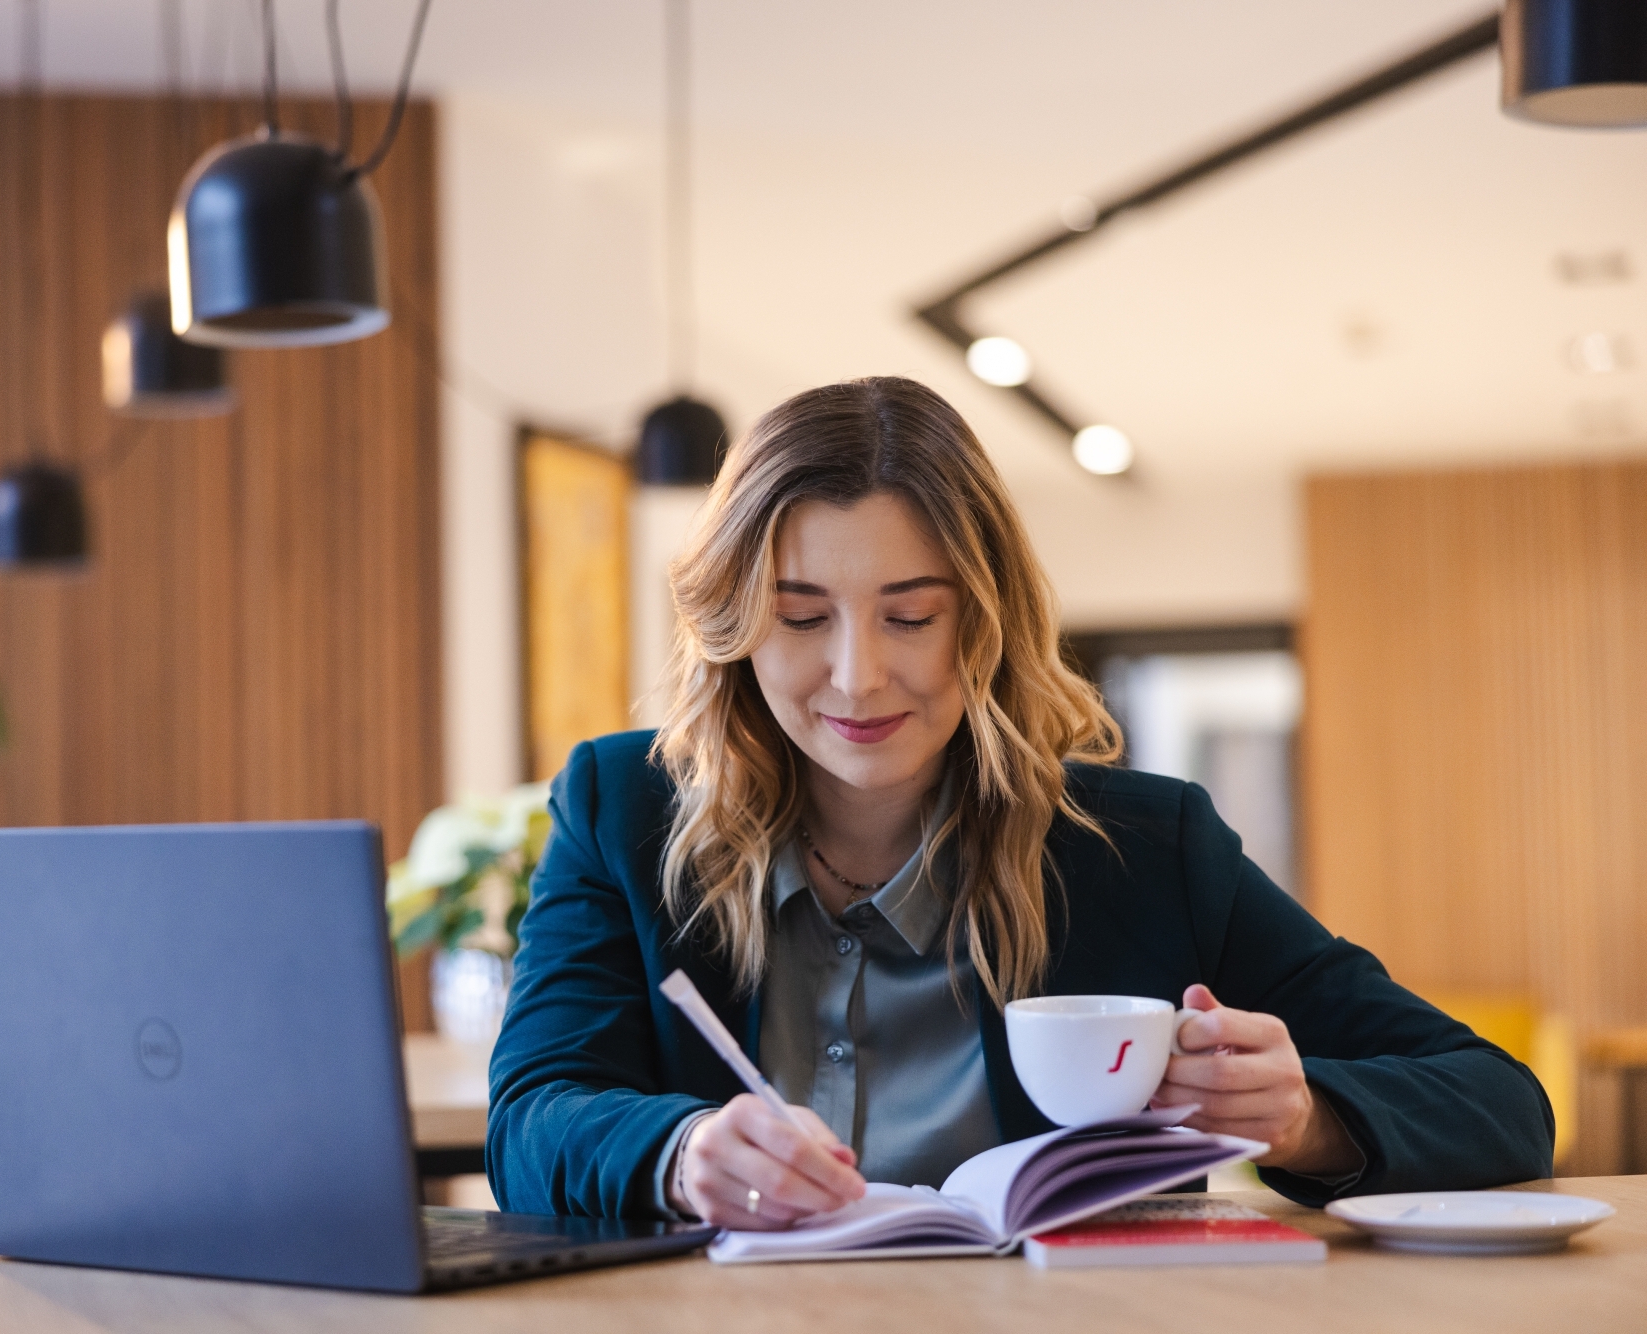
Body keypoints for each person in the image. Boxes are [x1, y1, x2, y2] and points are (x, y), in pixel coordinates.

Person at [486, 376, 1553, 1226]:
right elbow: (531, 1115)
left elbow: (1499, 1099)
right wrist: (679, 1152)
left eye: (909, 616)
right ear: (734, 624)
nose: (855, 676)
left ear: (983, 623)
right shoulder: (623, 805)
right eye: (799, 615)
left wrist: (1306, 1115)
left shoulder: (1143, 845)